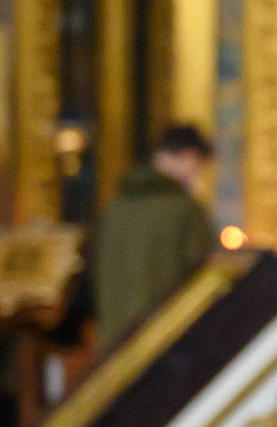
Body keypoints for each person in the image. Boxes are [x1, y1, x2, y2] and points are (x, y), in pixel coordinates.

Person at [90, 125, 218, 351]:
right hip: (166, 347)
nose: (198, 177)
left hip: (114, 349)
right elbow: (204, 282)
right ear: (190, 157)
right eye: (200, 169)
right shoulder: (186, 211)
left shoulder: (113, 209)